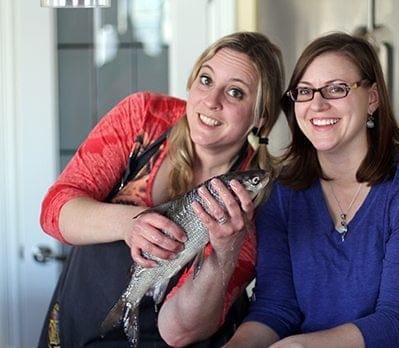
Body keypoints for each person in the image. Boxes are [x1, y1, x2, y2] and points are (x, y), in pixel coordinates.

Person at [38, 31, 284, 347]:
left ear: (260, 118)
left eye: (235, 92)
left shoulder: (257, 202)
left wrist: (225, 254)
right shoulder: (143, 118)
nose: (211, 101)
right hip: (76, 326)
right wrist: (130, 224)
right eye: (206, 80)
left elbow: (179, 331)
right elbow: (54, 211)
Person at [225, 32, 399, 347]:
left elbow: (398, 321)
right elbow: (276, 308)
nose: (318, 105)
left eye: (336, 89)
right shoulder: (282, 191)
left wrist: (300, 345)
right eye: (305, 92)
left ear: (372, 99)